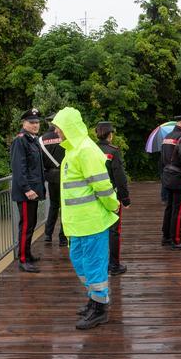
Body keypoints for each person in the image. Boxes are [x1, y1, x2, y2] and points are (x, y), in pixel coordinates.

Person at [51, 107, 120, 330]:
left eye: (58, 128)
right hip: (77, 224)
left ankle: (100, 309)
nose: (56, 132)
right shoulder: (73, 149)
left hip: (91, 222)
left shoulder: (86, 150)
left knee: (94, 265)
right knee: (81, 263)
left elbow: (102, 184)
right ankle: (94, 300)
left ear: (69, 127)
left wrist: (114, 205)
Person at [10, 108, 46, 273]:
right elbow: (18, 168)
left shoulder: (33, 140)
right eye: (31, 122)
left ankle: (27, 254)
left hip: (34, 191)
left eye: (37, 122)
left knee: (31, 224)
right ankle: (23, 260)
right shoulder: (21, 140)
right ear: (23, 123)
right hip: (26, 193)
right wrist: (27, 189)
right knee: (25, 225)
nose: (35, 125)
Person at [96, 121, 132, 275]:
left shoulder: (90, 150)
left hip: (93, 196)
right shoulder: (113, 151)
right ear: (110, 135)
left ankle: (99, 264)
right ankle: (114, 265)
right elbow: (120, 177)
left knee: (97, 230)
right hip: (111, 196)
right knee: (114, 230)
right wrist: (125, 199)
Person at [160, 114, 181, 249]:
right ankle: (176, 239)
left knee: (169, 208)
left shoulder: (167, 137)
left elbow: (162, 157)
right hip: (179, 177)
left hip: (167, 175)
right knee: (178, 210)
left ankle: (166, 237)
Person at [40, 116, 68, 247]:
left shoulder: (41, 140)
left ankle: (47, 235)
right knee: (65, 207)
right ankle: (63, 237)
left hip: (51, 177)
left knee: (53, 205)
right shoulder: (65, 136)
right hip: (65, 175)